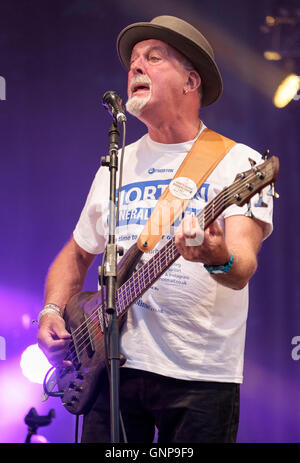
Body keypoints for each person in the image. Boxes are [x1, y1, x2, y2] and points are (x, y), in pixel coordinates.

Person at [37, 16, 273, 443]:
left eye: (153, 57)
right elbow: (76, 253)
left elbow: (242, 267)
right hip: (112, 371)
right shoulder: (117, 162)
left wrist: (217, 256)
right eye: (132, 62)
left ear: (190, 81)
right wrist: (52, 311)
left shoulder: (239, 163)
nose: (135, 67)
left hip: (199, 377)